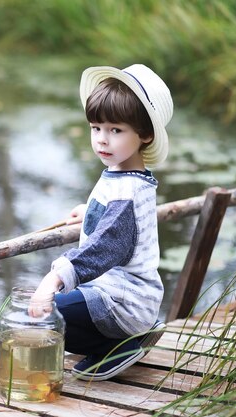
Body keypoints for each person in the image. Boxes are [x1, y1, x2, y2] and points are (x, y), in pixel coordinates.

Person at [28, 64, 173, 381]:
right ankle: (118, 340)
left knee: (47, 314)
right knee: (46, 314)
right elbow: (116, 222)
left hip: (124, 302)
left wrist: (52, 281)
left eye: (115, 130)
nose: (102, 141)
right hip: (123, 296)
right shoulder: (125, 173)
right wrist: (91, 212)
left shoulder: (128, 194)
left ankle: (118, 346)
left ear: (145, 134)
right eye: (96, 128)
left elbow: (106, 246)